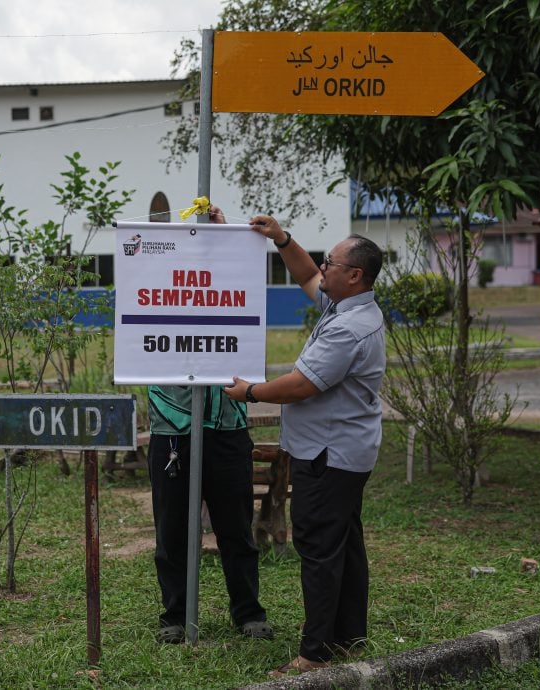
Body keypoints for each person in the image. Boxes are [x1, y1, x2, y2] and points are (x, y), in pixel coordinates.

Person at [224, 215, 385, 677]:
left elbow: (300, 386)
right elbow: (306, 276)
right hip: (345, 451)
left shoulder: (347, 329)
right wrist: (282, 239)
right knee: (344, 543)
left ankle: (314, 654)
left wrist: (250, 392)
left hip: (329, 456)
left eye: (331, 262)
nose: (322, 266)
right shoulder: (347, 306)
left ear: (354, 275)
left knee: (318, 546)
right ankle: (349, 635)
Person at [147, 204, 272, 644]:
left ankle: (248, 613)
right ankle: (175, 617)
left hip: (227, 426)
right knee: (173, 533)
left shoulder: (231, 288)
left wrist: (224, 235)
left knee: (236, 529)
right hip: (171, 428)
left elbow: (240, 267)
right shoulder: (155, 286)